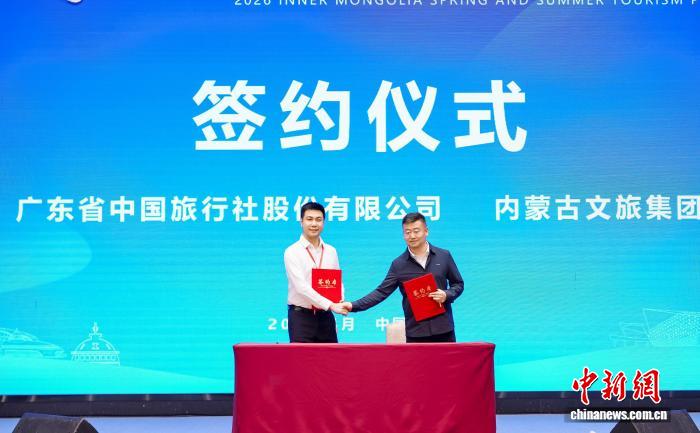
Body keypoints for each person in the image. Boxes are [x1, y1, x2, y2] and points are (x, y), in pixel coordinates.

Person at [340, 212, 464, 343]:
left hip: (444, 329)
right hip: (416, 333)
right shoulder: (398, 264)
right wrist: (353, 305)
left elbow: (458, 284)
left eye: (416, 231)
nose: (412, 236)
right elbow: (381, 292)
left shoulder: (444, 256)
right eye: (407, 232)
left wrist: (446, 294)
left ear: (426, 231)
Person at [284, 201, 348, 343]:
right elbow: (301, 287)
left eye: (318, 220)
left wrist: (339, 300)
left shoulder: (331, 251)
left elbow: (337, 281)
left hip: (326, 316)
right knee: (302, 357)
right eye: (309, 219)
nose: (314, 224)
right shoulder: (292, 252)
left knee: (331, 357)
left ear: (323, 223)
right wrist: (331, 305)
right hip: (301, 317)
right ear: (301, 222)